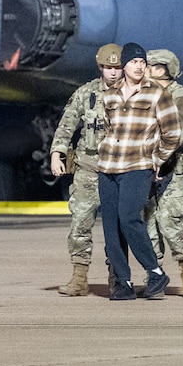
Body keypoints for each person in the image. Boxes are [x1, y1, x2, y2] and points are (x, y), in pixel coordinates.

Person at [96, 42, 183, 301]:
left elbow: (173, 132)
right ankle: (122, 282)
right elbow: (108, 128)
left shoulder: (157, 93)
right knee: (111, 227)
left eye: (142, 62)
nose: (139, 66)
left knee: (129, 218)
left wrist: (157, 158)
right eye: (134, 62)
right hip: (108, 166)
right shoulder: (110, 95)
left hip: (138, 165)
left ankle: (155, 272)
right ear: (124, 66)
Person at [48, 43, 123, 297]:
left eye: (117, 67)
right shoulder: (86, 93)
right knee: (80, 223)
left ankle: (118, 277)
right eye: (108, 67)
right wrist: (57, 152)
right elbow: (67, 124)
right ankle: (79, 277)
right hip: (88, 169)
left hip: (120, 170)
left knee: (118, 228)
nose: (112, 72)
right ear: (100, 66)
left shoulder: (133, 93)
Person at [144, 49, 183, 297]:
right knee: (148, 225)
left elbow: (180, 132)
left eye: (153, 66)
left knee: (169, 222)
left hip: (172, 169)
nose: (147, 69)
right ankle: (154, 276)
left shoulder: (182, 97)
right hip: (144, 169)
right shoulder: (145, 95)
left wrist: (160, 156)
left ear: (165, 69)